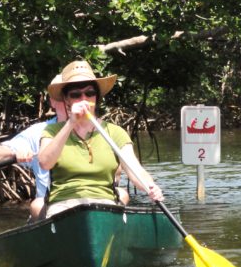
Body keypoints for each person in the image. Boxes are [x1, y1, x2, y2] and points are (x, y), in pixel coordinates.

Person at [37, 60, 163, 218]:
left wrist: (151, 186)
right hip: (63, 203)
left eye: (89, 93)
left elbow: (135, 170)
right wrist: (71, 123)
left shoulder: (114, 132)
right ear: (66, 100)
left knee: (102, 213)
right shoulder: (53, 130)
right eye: (76, 95)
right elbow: (45, 163)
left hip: (104, 203)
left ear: (96, 97)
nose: (84, 98)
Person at [0, 75, 69, 220]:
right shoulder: (38, 132)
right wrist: (15, 154)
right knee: (37, 204)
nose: (68, 101)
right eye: (62, 96)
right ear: (52, 101)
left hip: (91, 201)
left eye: (73, 95)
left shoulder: (101, 130)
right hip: (51, 208)